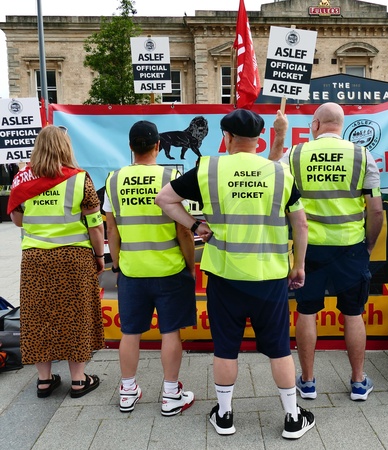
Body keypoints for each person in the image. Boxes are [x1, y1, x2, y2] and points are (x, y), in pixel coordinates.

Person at [155, 109, 315, 439]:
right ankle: (292, 417)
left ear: (226, 137)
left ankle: (225, 416)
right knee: (279, 348)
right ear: (259, 139)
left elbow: (165, 199)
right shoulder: (279, 172)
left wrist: (196, 226)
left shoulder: (209, 169)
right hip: (269, 276)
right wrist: (299, 265)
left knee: (226, 348)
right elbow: (301, 224)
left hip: (224, 275)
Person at [269, 102, 384, 401]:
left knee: (307, 311)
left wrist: (279, 135)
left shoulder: (296, 154)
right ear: (341, 125)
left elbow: (270, 175)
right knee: (354, 313)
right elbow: (375, 210)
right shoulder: (362, 155)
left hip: (309, 250)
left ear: (316, 125)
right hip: (351, 247)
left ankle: (307, 383)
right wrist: (368, 245)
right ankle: (358, 382)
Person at [103, 120, 197, 416]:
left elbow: (112, 231)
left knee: (130, 333)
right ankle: (170, 395)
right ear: (158, 145)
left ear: (130, 147)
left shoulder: (114, 180)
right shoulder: (171, 176)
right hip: (169, 269)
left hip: (132, 271)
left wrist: (117, 265)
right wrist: (190, 266)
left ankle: (127, 391)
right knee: (170, 332)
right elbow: (184, 230)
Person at [7, 125, 104, 398]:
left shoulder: (21, 180)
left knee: (38, 316)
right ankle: (79, 380)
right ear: (66, 148)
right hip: (74, 258)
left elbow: (17, 221)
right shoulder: (80, 179)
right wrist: (99, 256)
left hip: (35, 259)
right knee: (76, 316)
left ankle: (44, 380)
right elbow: (96, 226)